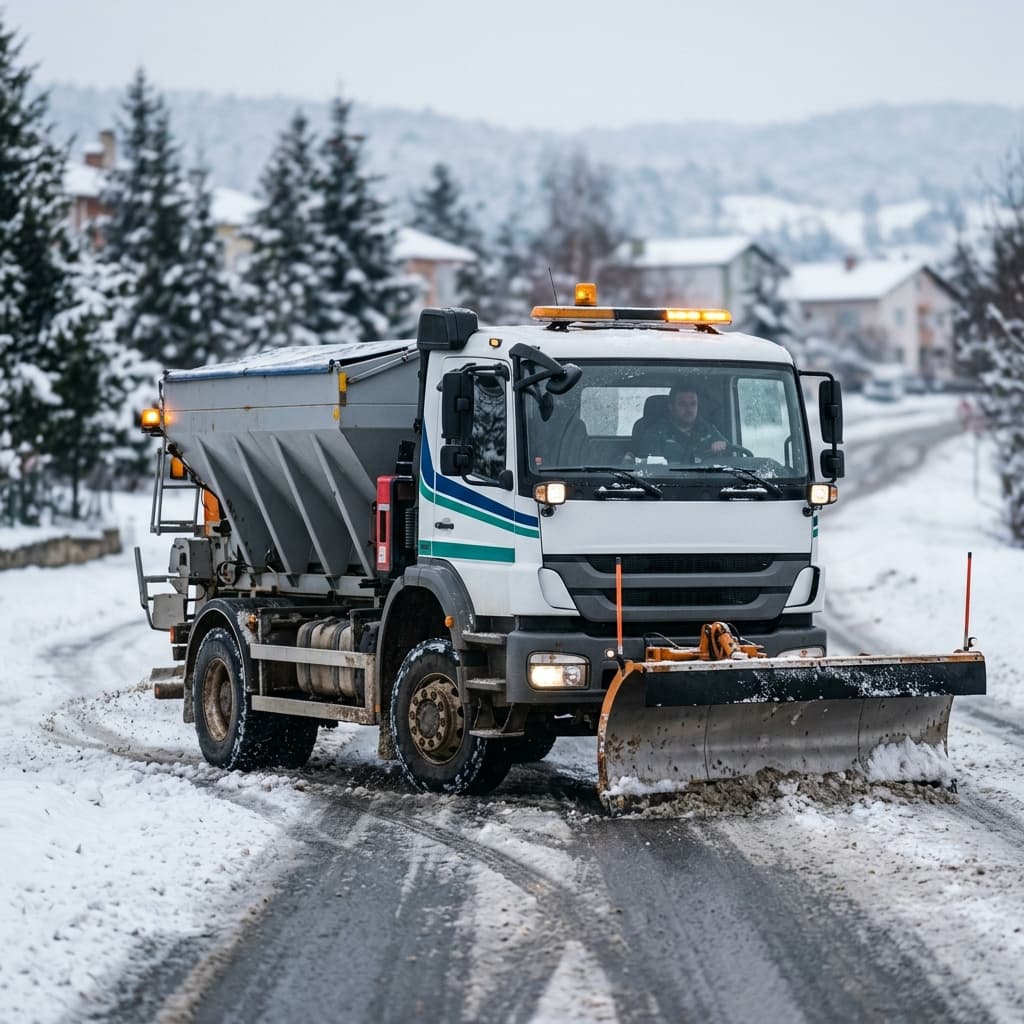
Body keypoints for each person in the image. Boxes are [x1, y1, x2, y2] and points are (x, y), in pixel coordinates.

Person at [633, 386, 728, 462]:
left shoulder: (708, 429)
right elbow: (647, 469)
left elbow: (731, 455)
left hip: (708, 481)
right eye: (683, 404)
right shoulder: (655, 434)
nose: (689, 409)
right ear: (671, 407)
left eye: (693, 404)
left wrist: (722, 448)